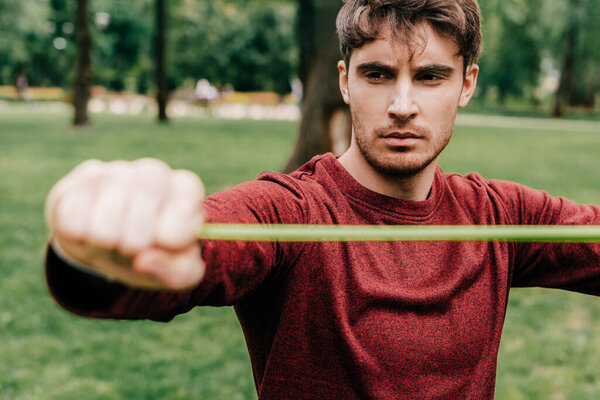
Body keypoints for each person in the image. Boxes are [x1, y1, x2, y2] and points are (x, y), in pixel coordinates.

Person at [44, 0, 600, 398]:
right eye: (378, 74)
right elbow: (197, 254)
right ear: (344, 81)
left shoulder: (499, 215)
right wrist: (96, 253)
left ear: (467, 84)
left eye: (430, 77)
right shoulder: (292, 209)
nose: (402, 104)